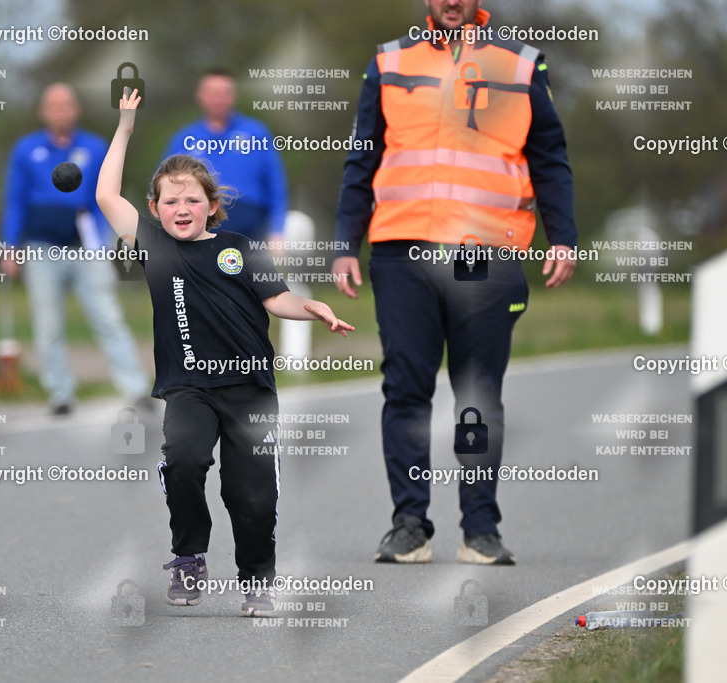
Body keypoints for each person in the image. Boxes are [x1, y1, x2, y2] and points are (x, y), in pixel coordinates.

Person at [333, 0, 577, 565]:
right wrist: (345, 243)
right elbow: (362, 157)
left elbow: (549, 157)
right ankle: (409, 525)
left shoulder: (521, 63)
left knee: (478, 394)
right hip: (402, 250)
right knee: (405, 389)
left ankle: (480, 529)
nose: (450, 1)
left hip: (486, 251)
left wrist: (563, 237)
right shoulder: (390, 61)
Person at [98, 87, 353, 615]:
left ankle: (257, 579)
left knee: (251, 496)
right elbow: (106, 196)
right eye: (170, 201)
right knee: (184, 459)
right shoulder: (154, 247)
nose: (182, 208)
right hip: (188, 387)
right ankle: (189, 557)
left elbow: (277, 299)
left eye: (193, 199)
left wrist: (313, 308)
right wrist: (124, 128)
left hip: (249, 390)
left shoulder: (240, 249)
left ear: (212, 206)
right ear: (155, 210)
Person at [0, 83, 151, 415]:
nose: (60, 111)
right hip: (42, 248)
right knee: (48, 325)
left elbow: (105, 196)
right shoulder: (26, 149)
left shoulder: (94, 147)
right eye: (53, 106)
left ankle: (136, 389)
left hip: (86, 246)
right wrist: (10, 247)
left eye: (66, 105)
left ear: (76, 109)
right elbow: (15, 201)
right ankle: (60, 394)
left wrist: (106, 241)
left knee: (108, 317)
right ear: (43, 112)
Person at [163, 69, 288, 243]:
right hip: (199, 229)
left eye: (224, 93)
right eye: (212, 93)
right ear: (200, 96)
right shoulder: (184, 139)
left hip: (250, 230)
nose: (218, 99)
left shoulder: (256, 133)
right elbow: (164, 188)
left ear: (234, 96)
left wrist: (277, 231)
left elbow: (275, 186)